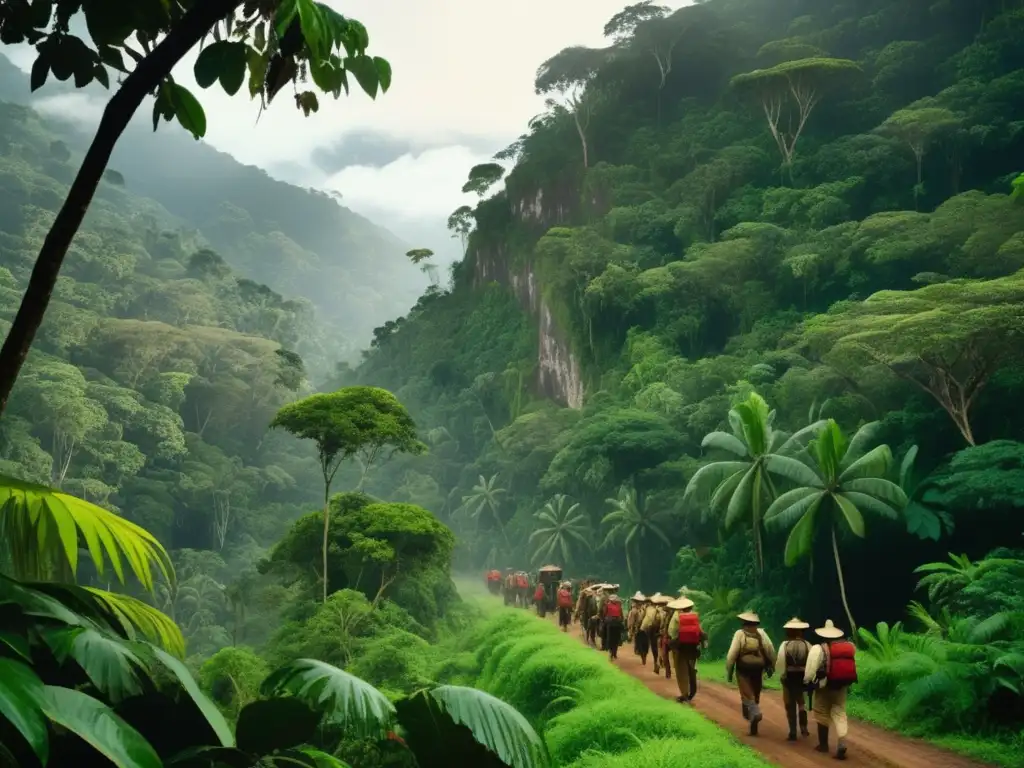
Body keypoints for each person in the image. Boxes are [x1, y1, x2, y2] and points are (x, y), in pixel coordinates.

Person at [805, 619, 857, 760]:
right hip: (841, 686)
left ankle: (823, 745)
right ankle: (841, 743)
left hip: (824, 687)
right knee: (839, 712)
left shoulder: (818, 649)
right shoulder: (849, 647)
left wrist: (808, 682)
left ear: (823, 635)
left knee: (821, 712)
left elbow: (810, 671)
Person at [725, 611, 776, 736]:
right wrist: (771, 667)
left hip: (743, 669)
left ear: (744, 623)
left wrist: (730, 671)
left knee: (747, 694)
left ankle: (755, 714)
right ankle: (754, 724)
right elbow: (770, 650)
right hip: (758, 668)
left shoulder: (740, 634)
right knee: (755, 693)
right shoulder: (761, 633)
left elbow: (732, 655)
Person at [667, 597, 707, 703]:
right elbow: (700, 631)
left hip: (680, 647)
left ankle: (684, 694)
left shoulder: (676, 616)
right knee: (692, 668)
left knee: (681, 671)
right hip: (693, 647)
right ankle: (692, 691)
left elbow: (672, 632)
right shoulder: (694, 616)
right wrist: (703, 642)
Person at [778, 617, 812, 741]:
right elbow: (811, 663)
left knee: (789, 704)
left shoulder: (785, 645)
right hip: (802, 677)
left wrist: (782, 676)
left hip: (789, 678)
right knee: (801, 702)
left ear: (789, 631)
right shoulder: (807, 645)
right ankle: (804, 727)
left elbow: (781, 664)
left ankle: (793, 731)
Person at [643, 593, 668, 674]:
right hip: (664, 632)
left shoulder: (651, 610)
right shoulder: (667, 612)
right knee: (663, 648)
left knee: (654, 648)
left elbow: (646, 622)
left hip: (653, 631)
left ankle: (656, 663)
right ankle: (666, 666)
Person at [601, 589, 625, 660]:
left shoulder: (607, 605)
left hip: (610, 624)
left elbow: (604, 614)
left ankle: (610, 651)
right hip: (617, 623)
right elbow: (622, 616)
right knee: (616, 638)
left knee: (609, 637)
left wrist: (603, 620)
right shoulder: (619, 606)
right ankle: (615, 653)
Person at [629, 592, 648, 661]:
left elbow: (631, 622)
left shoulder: (634, 610)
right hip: (644, 628)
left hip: (639, 628)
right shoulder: (644, 609)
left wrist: (631, 631)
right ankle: (643, 655)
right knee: (644, 643)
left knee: (639, 643)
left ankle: (642, 654)